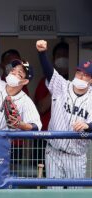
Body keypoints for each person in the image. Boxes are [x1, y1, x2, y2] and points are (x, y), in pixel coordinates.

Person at [36, 40, 92, 188]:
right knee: (54, 196)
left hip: (76, 155)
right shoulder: (62, 86)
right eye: (79, 72)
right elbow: (49, 71)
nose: (80, 77)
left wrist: (88, 125)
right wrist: (42, 53)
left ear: (91, 80)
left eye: (85, 75)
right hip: (54, 151)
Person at [0, 37, 42, 131]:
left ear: (25, 81)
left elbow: (36, 126)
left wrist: (20, 124)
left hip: (1, 143)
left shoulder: (25, 101)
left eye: (19, 73)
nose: (14, 72)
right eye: (13, 69)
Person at [35, 42, 69, 131]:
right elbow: (41, 108)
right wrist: (56, 87)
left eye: (65, 55)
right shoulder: (44, 82)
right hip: (44, 134)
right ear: (53, 59)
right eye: (59, 55)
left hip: (67, 134)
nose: (62, 58)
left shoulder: (75, 82)